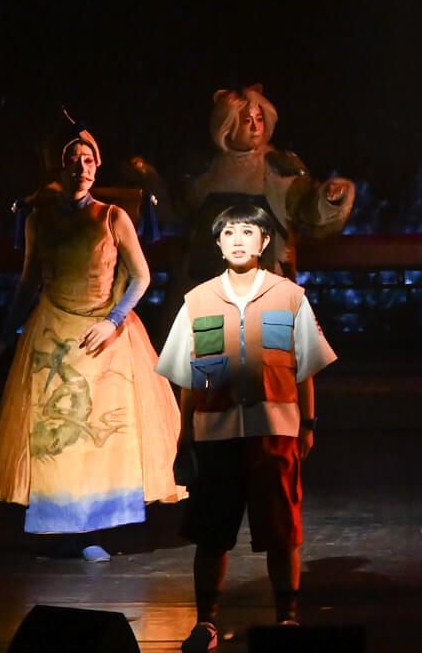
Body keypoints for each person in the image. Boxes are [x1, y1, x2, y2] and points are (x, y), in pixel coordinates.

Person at [0, 119, 187, 541]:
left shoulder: (111, 217)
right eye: (73, 161)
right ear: (59, 168)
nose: (81, 168)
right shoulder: (40, 219)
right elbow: (27, 282)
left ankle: (105, 520)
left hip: (104, 332)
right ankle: (61, 519)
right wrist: (4, 335)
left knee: (106, 428)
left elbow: (141, 276)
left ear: (97, 166)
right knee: (56, 428)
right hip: (53, 329)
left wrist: (112, 322)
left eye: (88, 160)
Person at [158, 197, 337, 653]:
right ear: (218, 244)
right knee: (210, 533)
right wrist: (184, 436)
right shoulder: (197, 301)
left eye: (247, 232)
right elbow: (187, 378)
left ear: (263, 240)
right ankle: (206, 622)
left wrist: (308, 424)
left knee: (281, 532)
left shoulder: (289, 296)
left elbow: (306, 367)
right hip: (214, 434)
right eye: (229, 233)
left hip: (275, 431)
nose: (238, 240)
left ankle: (286, 618)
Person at [167, 85, 355, 288]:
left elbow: (306, 209)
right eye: (247, 121)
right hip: (208, 287)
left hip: (266, 286)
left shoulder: (277, 168)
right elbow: (175, 214)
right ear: (226, 125)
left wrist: (329, 200)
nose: (255, 128)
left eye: (259, 119)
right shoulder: (203, 171)